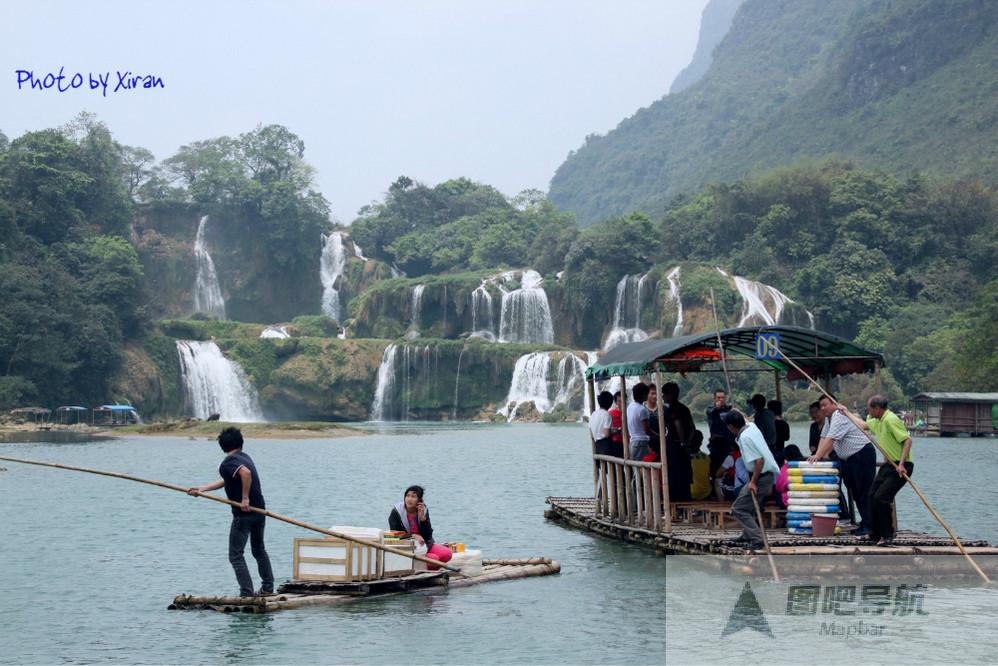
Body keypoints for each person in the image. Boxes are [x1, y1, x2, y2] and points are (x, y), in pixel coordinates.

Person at [188, 427, 274, 597]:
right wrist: (203, 488)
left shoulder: (229, 461)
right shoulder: (244, 457)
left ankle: (247, 593)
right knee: (258, 550)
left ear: (222, 445)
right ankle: (267, 588)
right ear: (241, 442)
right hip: (259, 511)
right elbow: (229, 479)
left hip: (244, 514)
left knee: (235, 555)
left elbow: (245, 473)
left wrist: (244, 498)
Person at [839, 395, 914, 546]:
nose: (868, 411)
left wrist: (901, 464)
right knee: (872, 496)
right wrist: (846, 412)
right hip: (889, 465)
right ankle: (874, 533)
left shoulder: (890, 419)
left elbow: (907, 440)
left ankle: (887, 535)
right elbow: (863, 425)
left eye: (869, 408)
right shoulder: (878, 420)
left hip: (901, 466)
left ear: (877, 409)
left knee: (881, 498)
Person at [809, 394, 876, 537]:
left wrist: (818, 455)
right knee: (855, 492)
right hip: (849, 459)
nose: (823, 408)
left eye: (825, 405)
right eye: (821, 406)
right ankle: (865, 523)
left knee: (864, 491)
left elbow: (831, 438)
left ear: (834, 403)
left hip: (861, 454)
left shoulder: (839, 415)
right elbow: (824, 437)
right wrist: (820, 456)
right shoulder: (829, 419)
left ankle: (870, 525)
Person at [724, 410, 780, 550]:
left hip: (760, 476)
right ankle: (748, 534)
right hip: (764, 475)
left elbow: (759, 461)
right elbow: (745, 419)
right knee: (747, 505)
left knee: (738, 508)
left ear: (731, 427)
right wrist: (736, 411)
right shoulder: (752, 427)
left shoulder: (745, 438)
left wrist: (753, 482)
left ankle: (757, 538)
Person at [388, 485, 453, 569]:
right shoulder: (396, 512)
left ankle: (428, 567)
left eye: (413, 497)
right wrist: (412, 536)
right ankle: (426, 570)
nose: (409, 499)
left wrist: (422, 518)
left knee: (447, 554)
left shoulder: (423, 510)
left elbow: (428, 536)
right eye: (407, 496)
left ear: (419, 500)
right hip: (407, 548)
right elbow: (393, 535)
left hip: (424, 545)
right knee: (434, 559)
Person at [590, 391, 620, 457]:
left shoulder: (593, 414)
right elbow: (606, 434)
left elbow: (592, 434)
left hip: (597, 447)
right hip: (606, 447)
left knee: (604, 467)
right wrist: (617, 431)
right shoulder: (607, 414)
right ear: (609, 403)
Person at [626, 382, 651, 460]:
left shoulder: (630, 407)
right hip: (642, 442)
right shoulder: (642, 409)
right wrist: (658, 435)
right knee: (642, 468)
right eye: (647, 394)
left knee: (636, 468)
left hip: (633, 441)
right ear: (644, 395)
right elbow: (647, 430)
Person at [774, 444, 805, 508]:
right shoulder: (806, 465)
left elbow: (779, 487)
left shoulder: (785, 467)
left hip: (789, 500)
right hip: (806, 498)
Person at [768, 399, 790, 466]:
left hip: (770, 450)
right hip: (781, 450)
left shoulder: (769, 424)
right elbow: (787, 438)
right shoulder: (784, 424)